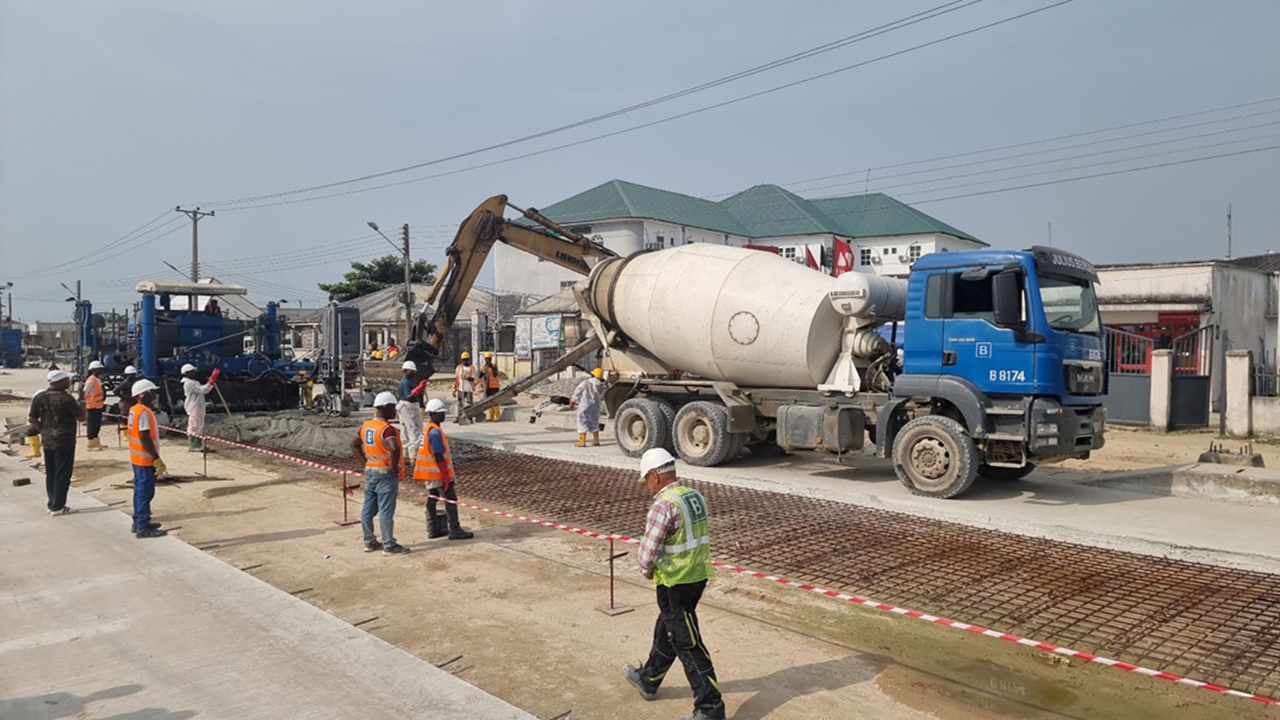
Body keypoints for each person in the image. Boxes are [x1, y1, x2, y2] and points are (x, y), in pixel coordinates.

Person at [623, 448, 725, 720]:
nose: (647, 486)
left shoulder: (664, 505)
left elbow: (648, 552)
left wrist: (646, 569)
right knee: (668, 628)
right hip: (696, 577)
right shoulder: (694, 496)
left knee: (686, 642)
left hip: (675, 582)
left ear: (655, 476)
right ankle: (648, 678)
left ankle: (710, 708)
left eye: (646, 479)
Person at [350, 391, 409, 555]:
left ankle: (369, 541)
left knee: (368, 508)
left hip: (370, 471)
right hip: (385, 473)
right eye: (392, 407)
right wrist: (394, 467)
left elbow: (353, 444)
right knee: (385, 510)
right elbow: (394, 447)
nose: (394, 411)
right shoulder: (387, 430)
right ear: (384, 408)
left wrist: (365, 463)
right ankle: (388, 545)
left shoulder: (366, 426)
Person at [27, 370, 85, 515]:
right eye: (66, 380)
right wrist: (82, 400)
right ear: (59, 382)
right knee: (63, 474)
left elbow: (32, 418)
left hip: (48, 441)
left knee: (51, 473)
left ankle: (51, 502)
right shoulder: (66, 399)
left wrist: (43, 429)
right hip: (64, 441)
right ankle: (58, 506)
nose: (68, 383)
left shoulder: (40, 397)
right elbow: (82, 418)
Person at [414, 398, 473, 540]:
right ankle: (454, 529)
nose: (443, 415)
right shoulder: (434, 432)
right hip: (438, 473)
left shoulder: (428, 429)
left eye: (443, 412)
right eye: (440, 413)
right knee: (450, 500)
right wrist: (445, 476)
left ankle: (433, 528)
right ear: (432, 414)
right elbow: (438, 455)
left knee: (432, 499)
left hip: (430, 473)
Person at [127, 379, 167, 538]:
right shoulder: (143, 412)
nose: (155, 395)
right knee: (145, 492)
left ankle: (138, 521)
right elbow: (144, 437)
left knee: (139, 491)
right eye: (152, 392)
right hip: (145, 460)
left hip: (137, 459)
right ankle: (143, 526)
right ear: (143, 394)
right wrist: (156, 458)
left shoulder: (134, 410)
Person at [181, 363, 220, 452]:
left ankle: (198, 444)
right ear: (186, 373)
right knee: (194, 424)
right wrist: (211, 380)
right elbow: (203, 390)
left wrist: (211, 382)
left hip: (199, 405)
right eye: (191, 372)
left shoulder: (194, 382)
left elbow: (204, 389)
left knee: (199, 425)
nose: (194, 373)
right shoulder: (187, 383)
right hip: (194, 405)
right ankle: (193, 445)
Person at [397, 360, 429, 452]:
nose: (414, 372)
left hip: (405, 407)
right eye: (412, 370)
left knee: (405, 430)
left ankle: (406, 453)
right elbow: (409, 397)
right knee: (414, 429)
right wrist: (419, 388)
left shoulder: (409, 381)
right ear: (406, 370)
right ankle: (414, 453)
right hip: (408, 407)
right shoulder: (406, 382)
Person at [569, 367, 606, 447]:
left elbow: (578, 391)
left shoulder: (586, 382)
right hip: (596, 405)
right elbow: (601, 395)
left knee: (582, 420)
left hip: (585, 404)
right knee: (594, 420)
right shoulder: (601, 385)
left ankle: (582, 441)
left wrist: (573, 400)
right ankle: (596, 440)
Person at [82, 360, 107, 451]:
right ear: (94, 370)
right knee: (92, 425)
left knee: (97, 424)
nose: (101, 370)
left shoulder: (98, 379)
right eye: (99, 369)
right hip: (92, 406)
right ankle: (90, 444)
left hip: (98, 405)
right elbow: (85, 392)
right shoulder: (91, 380)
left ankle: (96, 441)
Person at [481, 351, 502, 422]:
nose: (487, 360)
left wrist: (491, 368)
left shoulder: (494, 366)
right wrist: (481, 374)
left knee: (495, 402)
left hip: (494, 387)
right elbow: (480, 375)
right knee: (489, 402)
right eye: (486, 359)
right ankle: (490, 416)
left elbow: (495, 374)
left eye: (489, 359)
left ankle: (497, 416)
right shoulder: (483, 367)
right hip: (487, 387)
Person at [454, 351, 476, 420]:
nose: (465, 361)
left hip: (469, 388)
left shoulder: (472, 368)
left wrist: (466, 378)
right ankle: (460, 416)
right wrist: (455, 389)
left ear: (468, 359)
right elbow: (457, 379)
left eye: (466, 359)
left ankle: (469, 417)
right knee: (460, 403)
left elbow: (473, 378)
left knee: (469, 404)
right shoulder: (459, 368)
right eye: (463, 360)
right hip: (461, 388)